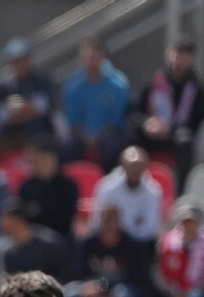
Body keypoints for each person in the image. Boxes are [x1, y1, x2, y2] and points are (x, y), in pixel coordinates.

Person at [66, 203, 154, 297]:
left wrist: (103, 287)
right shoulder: (88, 244)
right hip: (92, 291)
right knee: (70, 293)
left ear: (119, 221)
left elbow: (137, 278)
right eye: (105, 219)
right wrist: (94, 288)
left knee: (122, 295)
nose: (108, 224)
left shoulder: (133, 245)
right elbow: (78, 274)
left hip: (123, 290)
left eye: (112, 220)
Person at [129, 38, 204, 182]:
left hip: (176, 135)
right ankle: (135, 182)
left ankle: (182, 187)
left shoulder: (197, 89)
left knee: (185, 141)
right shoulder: (155, 82)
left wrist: (169, 129)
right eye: (175, 54)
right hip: (152, 133)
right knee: (132, 138)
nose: (178, 60)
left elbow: (194, 123)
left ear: (191, 58)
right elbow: (135, 111)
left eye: (183, 56)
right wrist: (146, 123)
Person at [61, 37, 130, 170]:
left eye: (95, 51)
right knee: (66, 148)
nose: (90, 56)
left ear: (103, 55)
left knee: (113, 147)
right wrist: (86, 137)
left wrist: (99, 136)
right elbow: (73, 121)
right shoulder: (72, 87)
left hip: (109, 134)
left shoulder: (119, 84)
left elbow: (118, 119)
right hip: (82, 136)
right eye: (86, 52)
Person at [0, 37, 56, 150]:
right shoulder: (2, 87)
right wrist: (16, 112)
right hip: (11, 135)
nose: (19, 65)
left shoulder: (42, 80)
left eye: (22, 60)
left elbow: (42, 107)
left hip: (40, 133)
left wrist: (21, 109)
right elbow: (0, 114)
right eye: (15, 61)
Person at [92, 145, 165, 244]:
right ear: (123, 166)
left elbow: (150, 228)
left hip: (139, 244)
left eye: (138, 166)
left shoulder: (153, 191)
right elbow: (97, 223)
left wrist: (129, 239)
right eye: (131, 166)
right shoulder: (107, 188)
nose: (135, 170)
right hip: (112, 242)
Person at [17, 139, 79, 242]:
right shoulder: (27, 186)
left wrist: (39, 211)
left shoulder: (68, 185)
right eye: (38, 161)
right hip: (32, 238)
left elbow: (66, 216)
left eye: (46, 160)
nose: (42, 164)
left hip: (61, 237)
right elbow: (23, 215)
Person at [0, 198, 68, 281]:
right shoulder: (8, 251)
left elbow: (64, 270)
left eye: (6, 220)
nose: (2, 224)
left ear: (18, 220)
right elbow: (8, 279)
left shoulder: (47, 243)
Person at [157, 202, 204, 297]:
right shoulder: (169, 243)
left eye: (191, 221)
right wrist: (177, 292)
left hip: (199, 290)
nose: (189, 225)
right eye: (186, 222)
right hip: (173, 292)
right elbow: (164, 271)